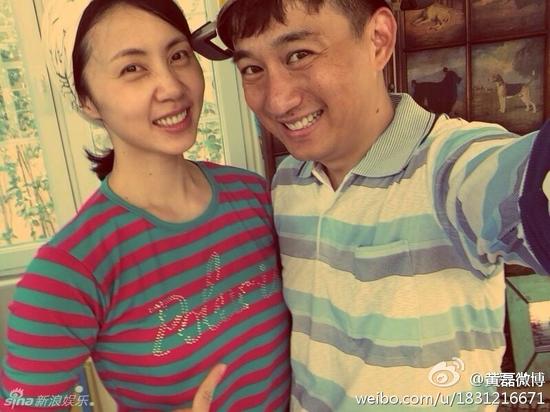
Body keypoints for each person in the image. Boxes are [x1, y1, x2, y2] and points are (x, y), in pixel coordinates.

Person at [193, 0, 550, 410]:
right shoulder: (290, 180)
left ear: (378, 41)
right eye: (252, 68)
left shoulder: (450, 167)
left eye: (299, 54)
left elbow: (527, 188)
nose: (277, 101)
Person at [0, 0, 290, 410]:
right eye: (133, 68)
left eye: (178, 55)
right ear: (87, 100)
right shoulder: (67, 274)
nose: (172, 86)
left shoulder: (254, 197)